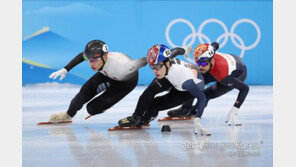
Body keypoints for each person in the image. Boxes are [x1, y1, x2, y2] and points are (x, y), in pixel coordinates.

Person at [118, 44, 210, 135]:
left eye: (157, 67)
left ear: (167, 63)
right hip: (170, 75)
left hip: (190, 86)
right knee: (149, 93)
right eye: (152, 67)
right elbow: (176, 51)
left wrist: (198, 119)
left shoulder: (184, 80)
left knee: (155, 104)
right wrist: (184, 50)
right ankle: (136, 118)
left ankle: (184, 109)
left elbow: (202, 98)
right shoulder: (165, 61)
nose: (155, 71)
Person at [48, 40, 147, 123]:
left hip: (125, 83)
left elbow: (143, 61)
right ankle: (67, 115)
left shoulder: (122, 66)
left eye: (94, 60)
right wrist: (66, 69)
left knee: (92, 109)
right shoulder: (96, 58)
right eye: (89, 60)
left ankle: (104, 105)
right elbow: (82, 56)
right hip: (106, 75)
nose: (91, 64)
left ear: (104, 56)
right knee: (81, 95)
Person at [167, 42, 249, 126]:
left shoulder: (224, 76)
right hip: (221, 64)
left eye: (203, 63)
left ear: (212, 60)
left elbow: (245, 88)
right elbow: (215, 44)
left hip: (237, 74)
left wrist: (235, 108)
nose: (201, 66)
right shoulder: (209, 51)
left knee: (206, 95)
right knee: (193, 81)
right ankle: (185, 109)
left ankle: (194, 110)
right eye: (198, 63)